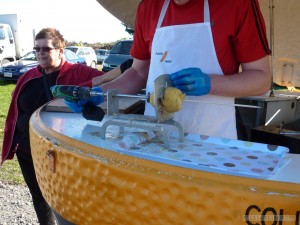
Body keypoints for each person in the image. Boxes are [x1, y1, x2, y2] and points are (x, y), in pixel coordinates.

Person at [77, 0, 271, 140]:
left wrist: (211, 83)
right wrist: (97, 93)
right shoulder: (148, 8)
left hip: (212, 140)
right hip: (153, 137)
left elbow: (261, 79)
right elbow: (138, 73)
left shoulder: (238, 4)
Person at [0, 27, 132, 225]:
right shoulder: (28, 77)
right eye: (37, 49)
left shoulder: (78, 72)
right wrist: (12, 141)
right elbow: (14, 111)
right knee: (38, 195)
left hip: (59, 151)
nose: (40, 53)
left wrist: (127, 68)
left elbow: (108, 83)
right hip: (27, 149)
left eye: (46, 49)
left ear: (61, 51)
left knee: (63, 197)